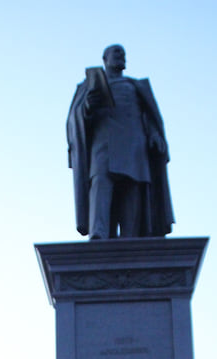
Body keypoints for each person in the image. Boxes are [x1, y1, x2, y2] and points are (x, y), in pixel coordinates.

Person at [67, 44, 174, 240]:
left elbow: (149, 116)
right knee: (100, 183)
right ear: (104, 58)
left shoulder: (135, 86)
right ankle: (98, 234)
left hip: (135, 146)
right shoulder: (88, 86)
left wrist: (154, 134)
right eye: (116, 53)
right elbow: (76, 119)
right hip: (104, 145)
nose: (121, 56)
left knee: (132, 190)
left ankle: (131, 238)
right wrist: (89, 105)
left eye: (123, 53)